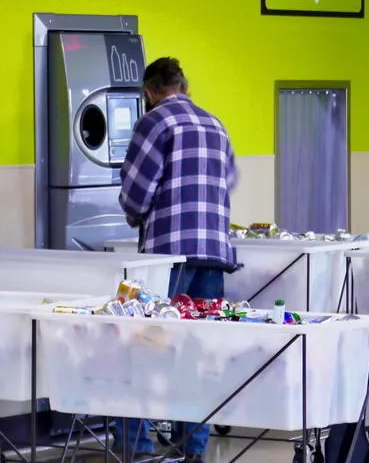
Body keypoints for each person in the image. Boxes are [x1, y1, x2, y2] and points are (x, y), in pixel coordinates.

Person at [115, 57, 239, 463]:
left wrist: (137, 214)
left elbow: (136, 194)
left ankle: (137, 446)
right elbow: (229, 181)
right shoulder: (216, 125)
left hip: (168, 259)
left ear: (149, 93)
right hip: (215, 255)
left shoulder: (153, 124)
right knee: (195, 352)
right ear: (185, 86)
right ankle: (194, 449)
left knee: (142, 347)